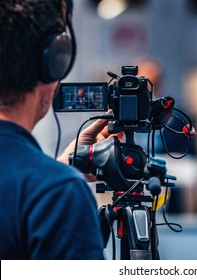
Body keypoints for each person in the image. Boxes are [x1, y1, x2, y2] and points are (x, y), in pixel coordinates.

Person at [0, 0, 110, 259]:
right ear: (54, 64)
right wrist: (53, 183)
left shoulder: (52, 189)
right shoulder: (59, 195)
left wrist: (59, 169)